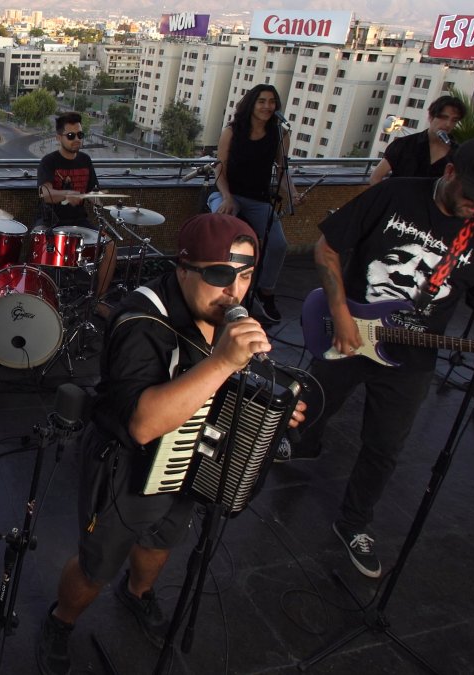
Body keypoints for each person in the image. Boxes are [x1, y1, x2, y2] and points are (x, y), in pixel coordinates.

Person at [36, 213, 306, 675]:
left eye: (244, 276)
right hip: (125, 464)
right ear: (183, 269)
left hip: (188, 456)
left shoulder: (223, 310)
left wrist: (269, 411)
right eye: (219, 274)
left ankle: (138, 593)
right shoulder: (140, 322)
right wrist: (223, 362)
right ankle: (62, 620)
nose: (233, 291)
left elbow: (222, 388)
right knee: (96, 565)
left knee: (165, 537)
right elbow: (143, 424)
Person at [287, 135, 474, 579]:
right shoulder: (397, 193)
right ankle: (300, 445)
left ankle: (354, 523)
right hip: (351, 331)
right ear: (450, 172)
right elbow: (327, 247)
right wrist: (340, 314)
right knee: (312, 402)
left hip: (412, 358)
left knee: (385, 448)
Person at [209, 84, 304, 323]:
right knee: (224, 233)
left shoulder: (280, 135)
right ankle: (215, 287)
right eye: (262, 101)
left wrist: (292, 193)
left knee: (278, 244)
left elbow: (283, 172)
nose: (267, 106)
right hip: (227, 193)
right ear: (252, 103)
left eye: (272, 102)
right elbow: (219, 168)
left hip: (258, 199)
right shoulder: (232, 131)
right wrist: (228, 197)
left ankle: (265, 292)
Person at [37, 111, 117, 316]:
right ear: (59, 137)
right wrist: (67, 193)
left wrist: (99, 197)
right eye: (71, 136)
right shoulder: (49, 161)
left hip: (80, 221)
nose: (77, 140)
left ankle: (98, 299)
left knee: (111, 246)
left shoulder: (85, 160)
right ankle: (44, 300)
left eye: (80, 135)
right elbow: (45, 194)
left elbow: (93, 192)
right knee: (37, 243)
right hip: (52, 222)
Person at [369, 95, 466, 184]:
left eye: (454, 120)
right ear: (431, 117)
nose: (448, 124)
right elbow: (375, 177)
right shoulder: (404, 144)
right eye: (443, 118)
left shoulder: (458, 154)